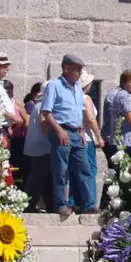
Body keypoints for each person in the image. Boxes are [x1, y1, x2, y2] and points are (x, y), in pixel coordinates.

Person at [41, 54, 96, 219]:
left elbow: (79, 111)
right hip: (62, 131)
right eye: (76, 69)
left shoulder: (77, 87)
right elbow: (46, 111)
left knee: (84, 168)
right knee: (61, 170)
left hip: (76, 132)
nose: (79, 73)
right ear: (66, 68)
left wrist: (81, 131)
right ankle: (61, 204)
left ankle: (89, 205)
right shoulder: (55, 86)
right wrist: (58, 130)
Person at [22, 83, 51, 211]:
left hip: (38, 147)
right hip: (44, 147)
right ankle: (28, 204)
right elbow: (45, 127)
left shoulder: (38, 105)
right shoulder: (44, 106)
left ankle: (47, 204)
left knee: (42, 177)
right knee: (38, 177)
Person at [102, 70, 131, 156]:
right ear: (124, 83)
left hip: (126, 143)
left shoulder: (126, 95)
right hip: (125, 144)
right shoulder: (124, 96)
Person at [80, 70, 103, 214]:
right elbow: (91, 118)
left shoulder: (74, 97)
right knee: (90, 170)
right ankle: (90, 203)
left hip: (79, 136)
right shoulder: (86, 98)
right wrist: (99, 136)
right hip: (87, 138)